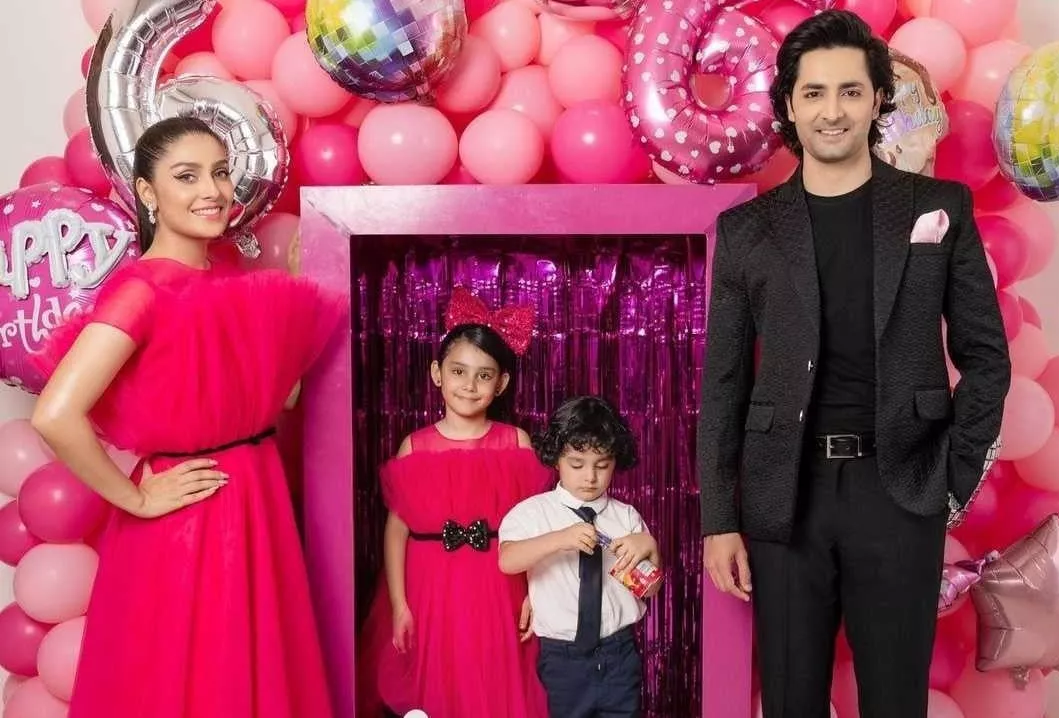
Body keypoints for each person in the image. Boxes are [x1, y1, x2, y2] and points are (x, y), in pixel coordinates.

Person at [697, 10, 1010, 718]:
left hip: (901, 490)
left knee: (895, 702)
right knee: (791, 700)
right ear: (788, 105)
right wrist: (720, 519)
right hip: (784, 496)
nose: (831, 111)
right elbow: (723, 383)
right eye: (813, 93)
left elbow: (986, 358)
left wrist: (951, 479)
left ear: (876, 100)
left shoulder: (939, 207)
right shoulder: (746, 231)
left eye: (849, 91)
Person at [30, 116, 343, 718]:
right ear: (147, 192)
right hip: (191, 519)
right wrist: (136, 498)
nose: (213, 190)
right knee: (192, 684)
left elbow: (283, 401)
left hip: (256, 498)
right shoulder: (141, 291)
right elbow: (56, 414)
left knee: (253, 678)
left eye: (220, 173)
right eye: (187, 175)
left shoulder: (230, 281)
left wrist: (298, 286)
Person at [359, 287, 550, 718]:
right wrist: (399, 604)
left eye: (484, 375)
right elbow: (397, 531)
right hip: (430, 587)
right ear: (437, 373)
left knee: (495, 681)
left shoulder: (515, 443)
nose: (469, 385)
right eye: (459, 371)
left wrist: (533, 594)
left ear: (501, 383)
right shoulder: (416, 446)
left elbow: (536, 527)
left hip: (498, 585)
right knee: (439, 683)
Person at [500, 395, 662, 718]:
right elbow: (508, 559)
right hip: (563, 659)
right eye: (577, 464)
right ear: (556, 459)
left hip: (619, 653)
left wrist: (650, 548)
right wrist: (559, 539)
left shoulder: (626, 517)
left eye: (602, 465)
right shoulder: (533, 513)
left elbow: (649, 589)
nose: (590, 477)